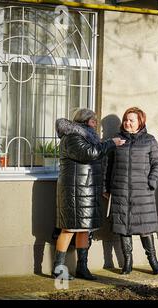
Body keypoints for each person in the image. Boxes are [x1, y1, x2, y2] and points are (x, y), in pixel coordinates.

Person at [53, 109, 125, 280]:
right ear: (85, 121)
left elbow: (95, 151)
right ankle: (58, 268)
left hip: (86, 189)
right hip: (74, 191)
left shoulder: (88, 136)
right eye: (94, 120)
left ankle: (82, 268)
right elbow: (89, 153)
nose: (96, 123)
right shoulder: (72, 136)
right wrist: (111, 143)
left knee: (84, 229)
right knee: (69, 229)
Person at [103, 107, 158, 275]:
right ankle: (127, 262)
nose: (128, 123)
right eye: (126, 120)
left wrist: (151, 183)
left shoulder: (149, 140)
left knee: (145, 227)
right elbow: (108, 166)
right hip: (121, 191)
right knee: (124, 227)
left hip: (142, 192)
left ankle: (152, 260)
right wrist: (106, 187)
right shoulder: (116, 140)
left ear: (140, 122)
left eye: (132, 120)